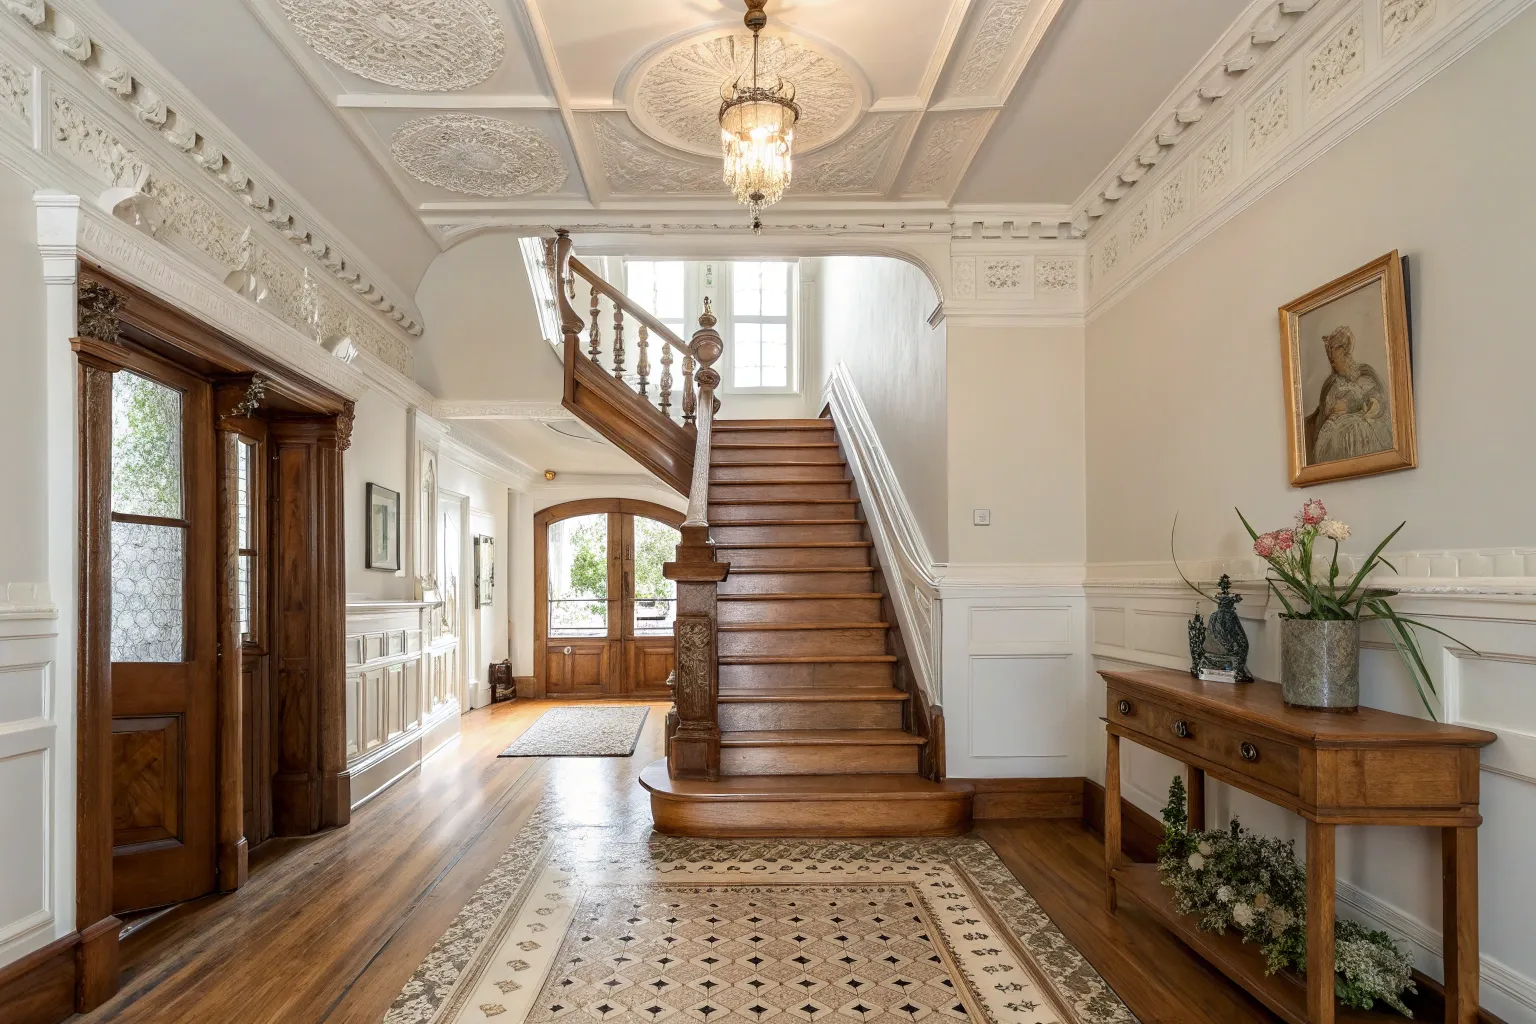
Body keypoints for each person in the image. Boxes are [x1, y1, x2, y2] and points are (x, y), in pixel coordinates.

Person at [1305, 326, 1392, 463]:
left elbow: (1376, 396)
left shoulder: (1364, 373)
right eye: (1331, 360)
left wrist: (1373, 403)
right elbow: (1324, 410)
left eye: (1335, 359)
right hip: (1335, 429)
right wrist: (1333, 410)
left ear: (1346, 354)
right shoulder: (1331, 383)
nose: (1333, 364)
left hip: (1360, 427)